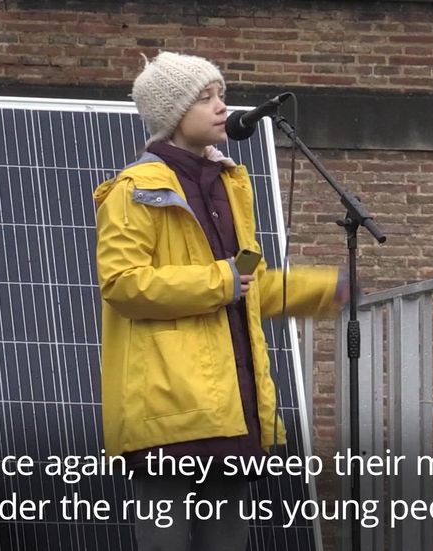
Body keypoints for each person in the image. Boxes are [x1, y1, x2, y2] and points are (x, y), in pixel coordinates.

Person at [94, 51, 346, 551]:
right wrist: (222, 281)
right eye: (204, 98)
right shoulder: (135, 189)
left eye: (221, 95)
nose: (220, 107)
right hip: (167, 400)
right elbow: (123, 285)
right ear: (171, 115)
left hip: (232, 398)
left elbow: (248, 284)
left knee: (227, 540)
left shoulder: (230, 183)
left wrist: (325, 290)